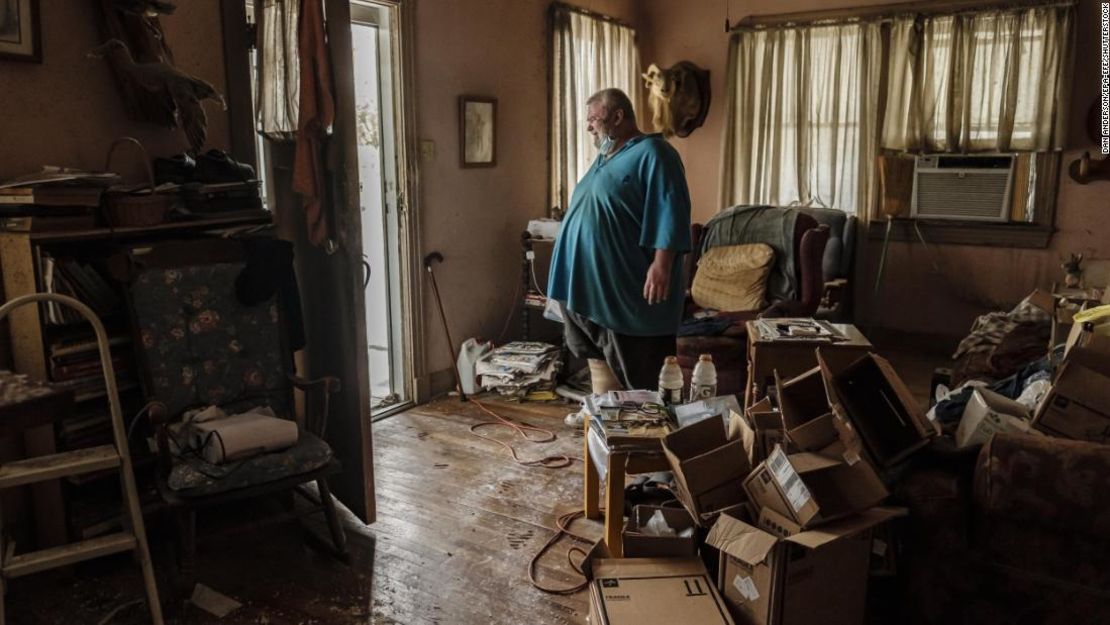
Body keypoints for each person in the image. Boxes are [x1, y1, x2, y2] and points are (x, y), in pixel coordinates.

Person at [547, 88, 692, 391]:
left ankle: (648, 431)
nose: (588, 126)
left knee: (640, 371)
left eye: (593, 119)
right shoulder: (605, 156)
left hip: (625, 286)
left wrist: (661, 264)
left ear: (617, 116)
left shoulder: (655, 153)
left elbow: (671, 209)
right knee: (598, 358)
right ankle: (603, 418)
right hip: (586, 286)